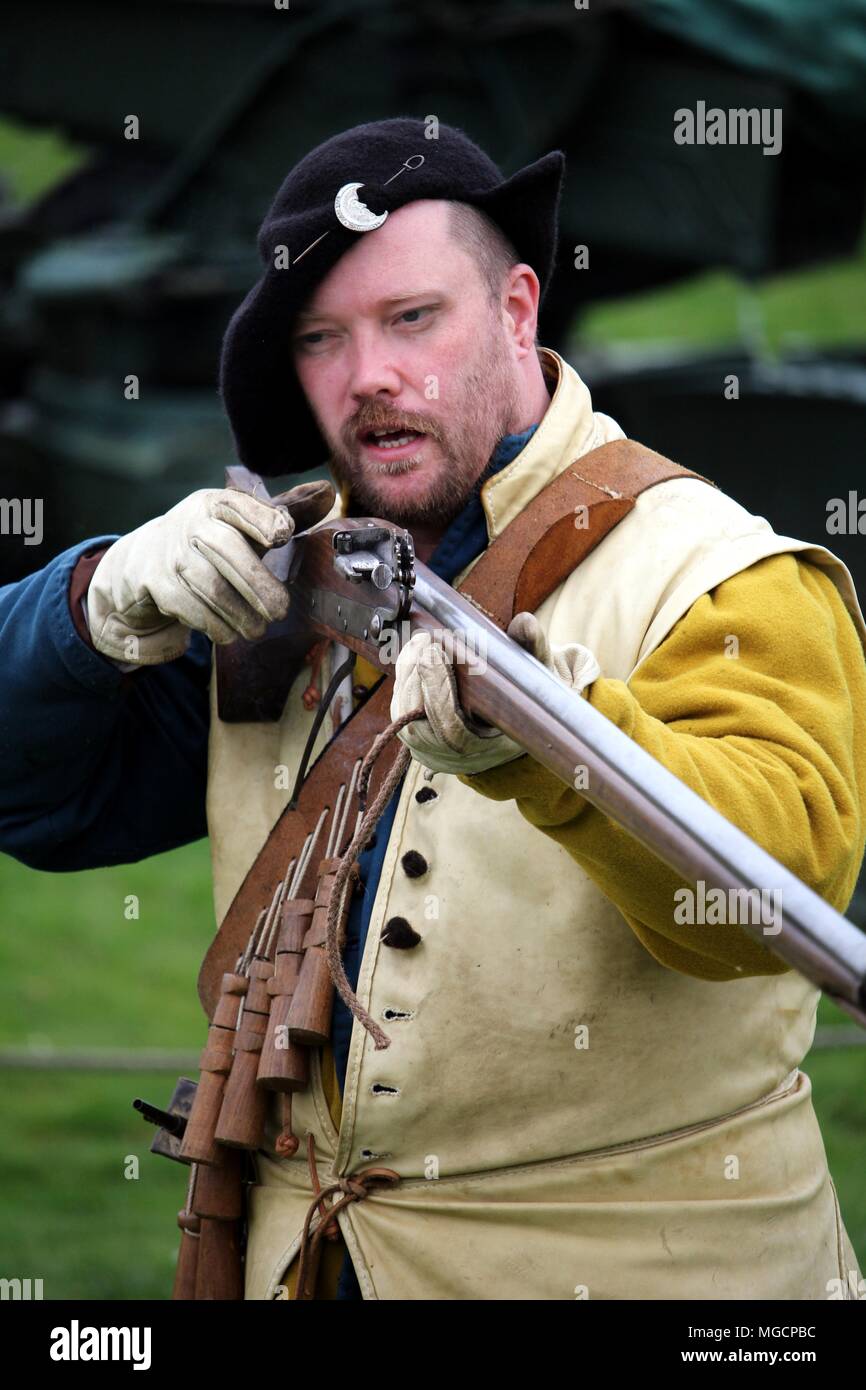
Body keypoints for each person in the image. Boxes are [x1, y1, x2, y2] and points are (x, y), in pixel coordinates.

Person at [1, 118, 864, 1301]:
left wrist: (550, 749)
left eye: (413, 318)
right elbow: (43, 805)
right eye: (321, 339)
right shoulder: (274, 578)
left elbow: (773, 886)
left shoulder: (723, 575)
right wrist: (86, 607)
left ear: (516, 310)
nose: (368, 377)